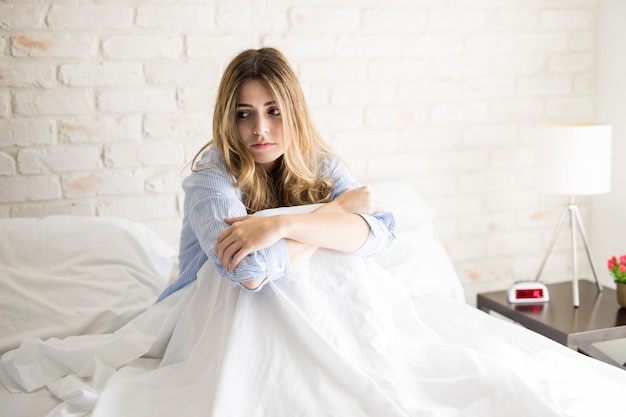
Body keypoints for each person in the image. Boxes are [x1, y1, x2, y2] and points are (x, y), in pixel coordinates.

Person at [157, 47, 396, 301]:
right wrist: (336, 211)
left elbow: (380, 236)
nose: (260, 129)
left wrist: (280, 225)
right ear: (228, 119)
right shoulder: (213, 172)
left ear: (294, 112)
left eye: (273, 111)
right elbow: (247, 272)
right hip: (207, 310)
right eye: (244, 114)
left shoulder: (319, 163)